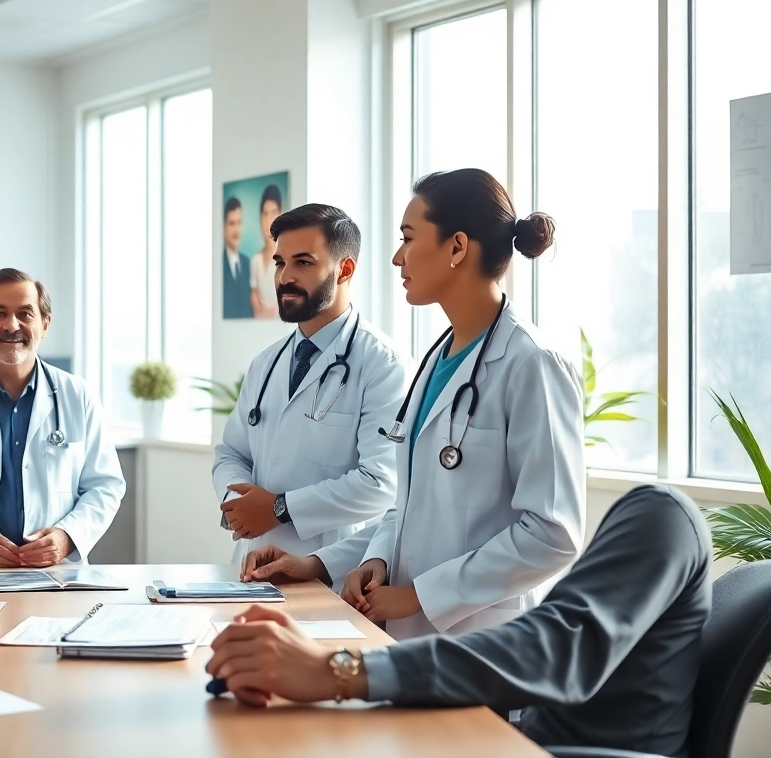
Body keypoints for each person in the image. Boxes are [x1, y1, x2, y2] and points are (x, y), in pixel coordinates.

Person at [241, 169, 584, 641]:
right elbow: (408, 506)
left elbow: (553, 534)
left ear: (457, 247)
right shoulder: (436, 360)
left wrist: (422, 595)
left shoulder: (532, 364)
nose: (397, 256)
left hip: (483, 642)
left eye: (408, 237)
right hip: (412, 638)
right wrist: (346, 561)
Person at [208, 484, 711, 757]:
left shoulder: (660, 515)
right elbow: (405, 508)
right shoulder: (645, 527)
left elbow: (556, 650)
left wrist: (339, 669)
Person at [214, 204, 410, 571]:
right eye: (279, 262)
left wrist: (279, 509)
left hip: (332, 572)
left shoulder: (382, 364)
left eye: (303, 262)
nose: (285, 277)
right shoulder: (266, 363)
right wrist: (237, 503)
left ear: (344, 270)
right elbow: (230, 453)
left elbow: (382, 481)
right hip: (253, 565)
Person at [0, 268, 125, 567]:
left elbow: (105, 485)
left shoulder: (78, 396)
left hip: (58, 573)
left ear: (45, 324)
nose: (11, 325)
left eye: (25, 314)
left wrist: (68, 536)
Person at [249, 184, 284, 319]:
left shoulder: (285, 260)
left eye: (273, 213)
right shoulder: (255, 260)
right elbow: (254, 294)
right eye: (265, 214)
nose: (268, 220)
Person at [222, 197, 253, 319]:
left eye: (239, 223)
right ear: (224, 226)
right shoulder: (218, 265)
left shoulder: (248, 264)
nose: (236, 230)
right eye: (232, 223)